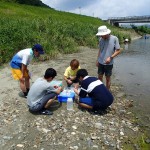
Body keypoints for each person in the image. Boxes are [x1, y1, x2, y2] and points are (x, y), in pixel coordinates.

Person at [96, 25, 121, 90]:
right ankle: (100, 90)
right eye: (100, 35)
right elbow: (100, 50)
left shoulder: (114, 38)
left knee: (108, 78)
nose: (101, 36)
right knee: (99, 77)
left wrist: (110, 57)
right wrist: (97, 60)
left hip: (109, 63)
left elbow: (118, 51)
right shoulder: (101, 39)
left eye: (102, 35)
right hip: (100, 62)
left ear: (106, 33)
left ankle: (107, 92)